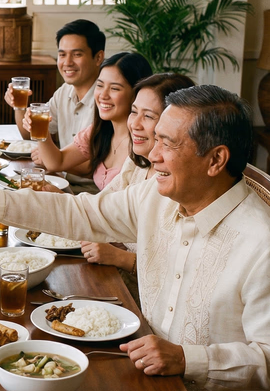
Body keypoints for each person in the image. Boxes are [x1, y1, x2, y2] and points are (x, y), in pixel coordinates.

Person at [0, 84, 270, 391]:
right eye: (155, 140)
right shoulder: (155, 197)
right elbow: (80, 213)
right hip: (147, 384)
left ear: (216, 160)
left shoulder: (261, 242)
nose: (152, 155)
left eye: (167, 144)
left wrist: (189, 359)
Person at [80, 72, 195, 303]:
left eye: (149, 116)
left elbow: (180, 272)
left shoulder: (178, 184)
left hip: (145, 301)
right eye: (134, 112)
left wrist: (120, 257)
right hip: (113, 282)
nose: (134, 124)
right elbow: (99, 208)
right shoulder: (137, 164)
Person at [24, 52, 152, 191]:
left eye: (114, 88)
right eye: (100, 85)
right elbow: (57, 162)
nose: (103, 95)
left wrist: (66, 200)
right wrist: (42, 131)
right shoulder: (100, 130)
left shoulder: (143, 141)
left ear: (137, 93)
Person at [5, 19, 105, 192]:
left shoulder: (106, 100)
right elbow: (31, 136)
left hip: (92, 194)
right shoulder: (64, 91)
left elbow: (103, 167)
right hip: (61, 183)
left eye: (77, 54)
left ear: (98, 57)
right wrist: (19, 107)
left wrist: (54, 160)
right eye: (62, 54)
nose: (67, 62)